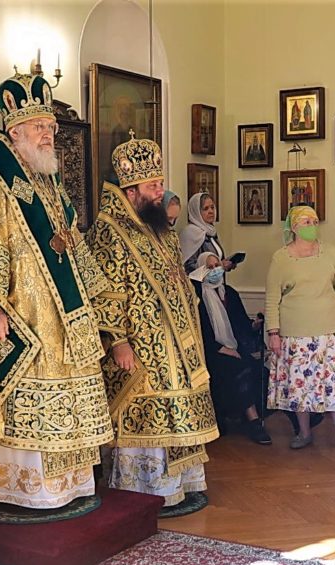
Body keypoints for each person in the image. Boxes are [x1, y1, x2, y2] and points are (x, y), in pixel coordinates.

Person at [0, 71, 114, 510]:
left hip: (61, 317)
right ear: (14, 131)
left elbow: (69, 239)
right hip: (20, 312)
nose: (48, 133)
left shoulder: (48, 180)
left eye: (51, 126)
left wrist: (94, 292)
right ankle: (20, 488)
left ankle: (66, 486)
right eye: (39, 126)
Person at [86, 133, 219, 508]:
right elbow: (105, 290)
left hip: (177, 341)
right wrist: (118, 341)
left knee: (181, 405)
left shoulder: (162, 230)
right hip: (140, 344)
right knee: (151, 410)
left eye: (160, 183)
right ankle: (146, 490)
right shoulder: (109, 230)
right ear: (130, 191)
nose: (161, 191)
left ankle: (182, 484)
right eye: (153, 186)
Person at [265, 205, 335, 452]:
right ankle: (304, 433)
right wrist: (273, 333)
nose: (312, 226)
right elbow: (272, 298)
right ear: (294, 226)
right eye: (306, 222)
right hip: (294, 333)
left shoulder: (330, 252)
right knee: (300, 387)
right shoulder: (281, 257)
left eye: (315, 221)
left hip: (328, 331)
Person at [189, 252, 270, 445]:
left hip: (234, 347)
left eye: (217, 265)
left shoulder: (230, 293)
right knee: (239, 369)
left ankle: (247, 415)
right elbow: (199, 331)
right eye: (209, 267)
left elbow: (241, 323)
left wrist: (254, 325)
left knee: (262, 372)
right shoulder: (196, 296)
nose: (215, 270)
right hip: (210, 352)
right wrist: (222, 348)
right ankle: (253, 421)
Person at [180, 192, 234, 273]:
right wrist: (218, 266)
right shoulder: (190, 233)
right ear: (196, 212)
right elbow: (187, 267)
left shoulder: (211, 231)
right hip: (199, 281)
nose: (211, 211)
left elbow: (216, 261)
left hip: (216, 280)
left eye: (212, 207)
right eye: (206, 209)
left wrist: (225, 264)